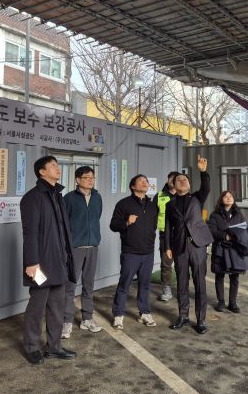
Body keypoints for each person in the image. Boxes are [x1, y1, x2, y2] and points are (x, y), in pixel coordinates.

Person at [20, 155, 77, 365]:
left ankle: (54, 347)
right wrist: (31, 263)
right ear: (42, 172)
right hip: (41, 264)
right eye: (52, 165)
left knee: (57, 307)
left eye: (57, 164)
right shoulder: (32, 198)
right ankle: (31, 346)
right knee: (37, 307)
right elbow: (30, 233)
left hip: (59, 261)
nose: (57, 168)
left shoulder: (57, 195)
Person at [164, 156, 211, 334]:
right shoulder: (170, 204)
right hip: (180, 248)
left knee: (200, 284)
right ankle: (183, 316)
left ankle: (201, 320)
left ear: (189, 184)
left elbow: (206, 187)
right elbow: (168, 227)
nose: (182, 181)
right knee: (182, 283)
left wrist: (203, 171)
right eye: (178, 180)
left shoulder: (197, 198)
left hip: (197, 246)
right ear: (173, 185)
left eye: (185, 179)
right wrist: (167, 247)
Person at [109, 174, 158, 330]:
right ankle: (118, 315)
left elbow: (154, 226)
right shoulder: (124, 204)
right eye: (141, 181)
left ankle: (145, 313)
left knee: (145, 284)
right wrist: (126, 222)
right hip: (130, 252)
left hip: (148, 252)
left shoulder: (152, 206)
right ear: (133, 186)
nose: (145, 183)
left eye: (146, 181)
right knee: (124, 284)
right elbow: (113, 225)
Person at [62, 166, 103, 338]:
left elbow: (96, 217)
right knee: (69, 286)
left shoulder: (97, 197)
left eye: (92, 177)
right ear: (78, 180)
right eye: (86, 177)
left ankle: (87, 319)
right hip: (75, 249)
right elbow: (63, 223)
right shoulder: (68, 198)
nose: (90, 180)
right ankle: (66, 321)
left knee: (88, 285)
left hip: (92, 247)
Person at [207, 191, 248, 313]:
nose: (228, 198)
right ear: (221, 199)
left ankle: (233, 303)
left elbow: (244, 230)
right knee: (219, 275)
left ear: (233, 200)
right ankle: (221, 302)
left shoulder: (239, 215)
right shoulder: (215, 215)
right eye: (225, 196)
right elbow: (211, 231)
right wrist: (225, 236)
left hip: (235, 250)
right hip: (220, 249)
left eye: (230, 196)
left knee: (235, 276)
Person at [153, 171, 180, 302]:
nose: (173, 181)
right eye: (171, 179)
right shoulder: (159, 196)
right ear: (167, 180)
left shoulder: (185, 195)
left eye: (176, 179)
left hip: (181, 234)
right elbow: (152, 216)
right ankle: (166, 289)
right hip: (165, 235)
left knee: (182, 263)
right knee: (166, 264)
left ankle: (182, 288)